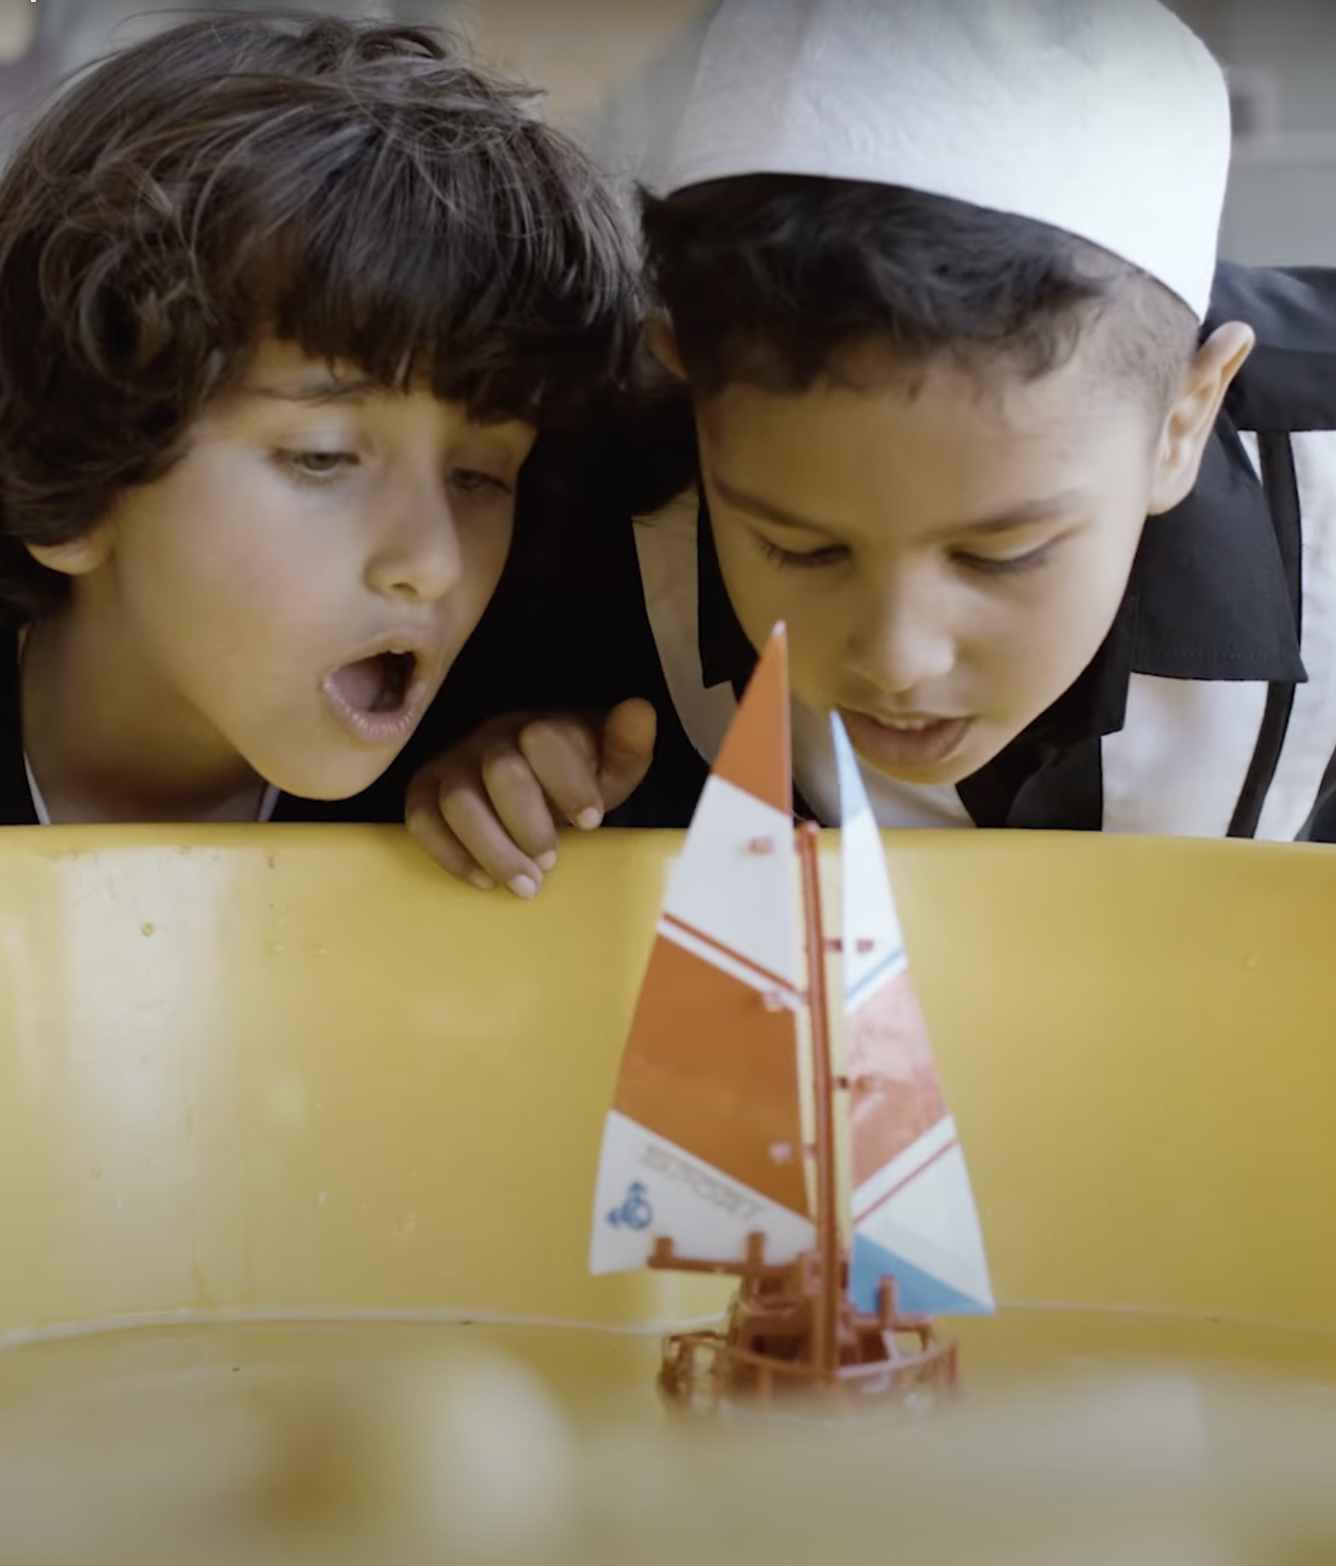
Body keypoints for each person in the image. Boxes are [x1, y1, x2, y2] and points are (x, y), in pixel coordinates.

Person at [405, 0, 1336, 896]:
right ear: (691, 396)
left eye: (1000, 555)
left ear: (1182, 420)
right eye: (799, 548)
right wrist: (517, 771)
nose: (895, 659)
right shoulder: (584, 511)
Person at [0, 12, 641, 827]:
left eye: (478, 476)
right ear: (69, 459)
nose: (434, 562)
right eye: (322, 458)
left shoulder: (490, 777)